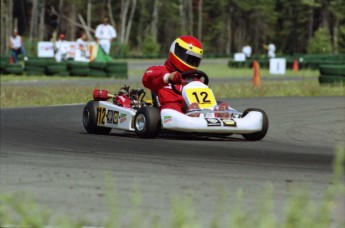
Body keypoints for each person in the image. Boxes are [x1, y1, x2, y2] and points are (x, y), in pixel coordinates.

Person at [143, 35, 218, 114]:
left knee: (215, 105)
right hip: (170, 108)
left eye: (195, 60)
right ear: (177, 52)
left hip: (192, 106)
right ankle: (192, 114)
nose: (192, 62)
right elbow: (147, 78)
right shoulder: (161, 69)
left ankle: (217, 112)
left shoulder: (193, 78)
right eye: (189, 58)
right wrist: (168, 77)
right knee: (173, 108)